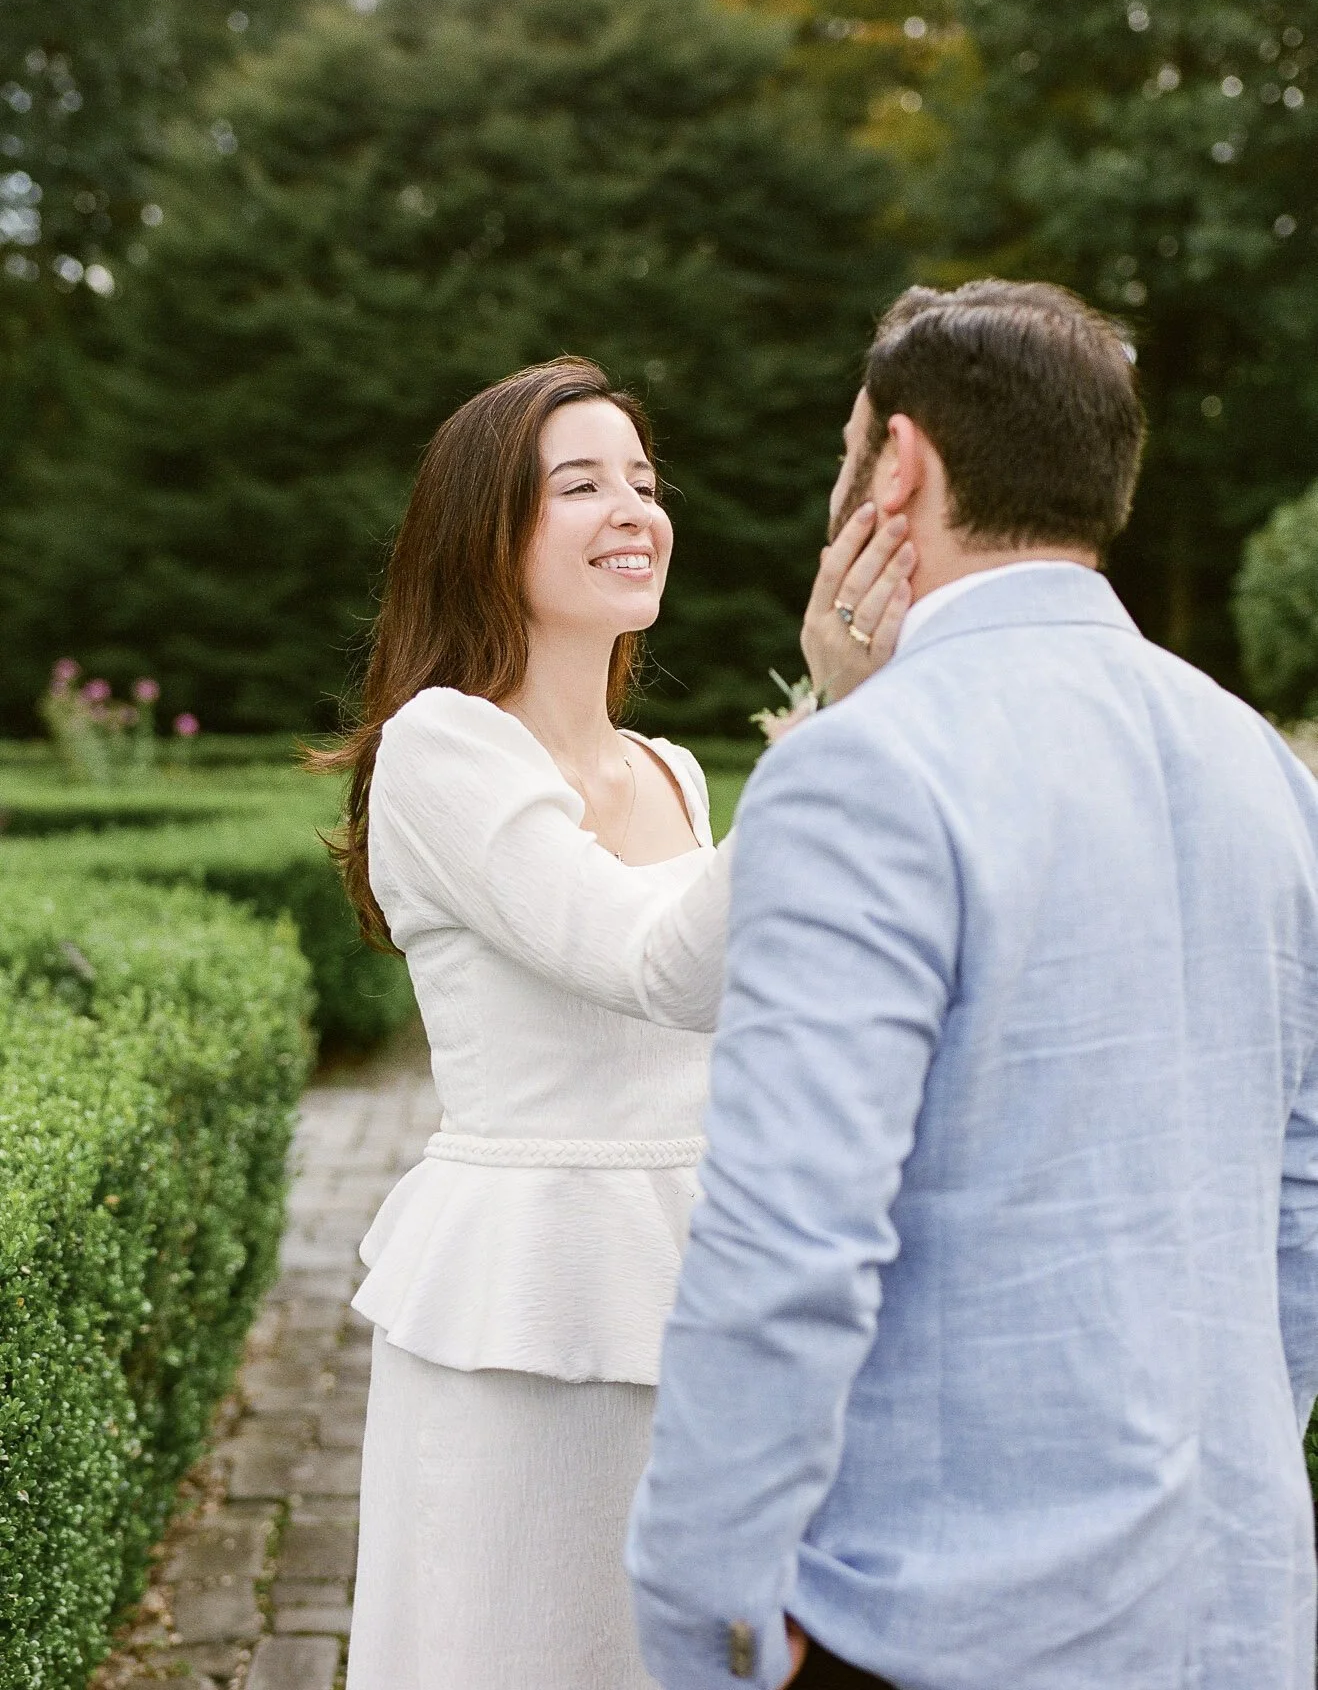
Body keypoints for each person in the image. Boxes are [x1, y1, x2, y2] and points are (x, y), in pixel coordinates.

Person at [628, 281, 1318, 1690]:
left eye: (849, 452)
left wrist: (708, 1625)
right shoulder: (1260, 761)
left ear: (900, 466)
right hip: (1232, 1605)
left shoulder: (863, 769)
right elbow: (1300, 1202)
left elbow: (789, 1244)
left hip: (946, 1623)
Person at [313, 355, 914, 1690]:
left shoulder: (673, 770)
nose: (633, 510)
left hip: (701, 1274)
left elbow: (745, 998)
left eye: (642, 481)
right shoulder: (442, 748)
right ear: (485, 531)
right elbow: (656, 966)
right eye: (579, 484)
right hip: (526, 1294)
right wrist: (831, 725)